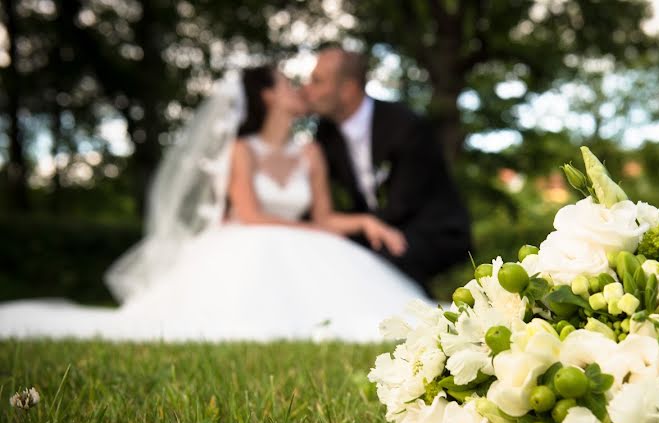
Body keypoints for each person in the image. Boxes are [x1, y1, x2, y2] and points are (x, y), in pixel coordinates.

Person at [0, 65, 429, 342]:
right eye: (286, 83)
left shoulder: (311, 153)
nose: (298, 89)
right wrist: (313, 231)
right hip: (249, 240)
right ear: (267, 96)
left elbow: (323, 216)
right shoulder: (241, 150)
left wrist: (364, 224)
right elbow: (250, 215)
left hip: (301, 241)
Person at [307, 47, 471, 293]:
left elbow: (404, 203)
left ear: (348, 89)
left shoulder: (405, 126)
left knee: (384, 255)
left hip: (432, 227)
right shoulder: (325, 133)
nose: (309, 90)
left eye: (318, 81)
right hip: (378, 228)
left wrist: (362, 230)